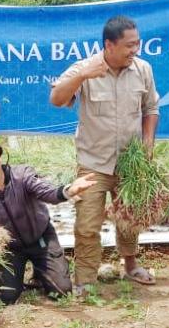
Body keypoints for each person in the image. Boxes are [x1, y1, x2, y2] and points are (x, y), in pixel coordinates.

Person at [49, 15, 159, 295]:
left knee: (129, 219)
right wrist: (83, 75)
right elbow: (57, 100)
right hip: (92, 164)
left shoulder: (143, 69)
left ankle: (131, 265)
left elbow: (151, 109)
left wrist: (147, 144)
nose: (135, 50)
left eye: (138, 43)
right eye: (129, 45)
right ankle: (86, 279)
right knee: (87, 225)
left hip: (130, 163)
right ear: (109, 45)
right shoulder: (83, 69)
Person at [0, 141, 95, 304]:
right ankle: (15, 275)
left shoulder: (22, 175)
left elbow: (47, 192)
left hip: (40, 238)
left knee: (61, 290)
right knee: (7, 297)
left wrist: (67, 191)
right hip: (8, 247)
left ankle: (46, 269)